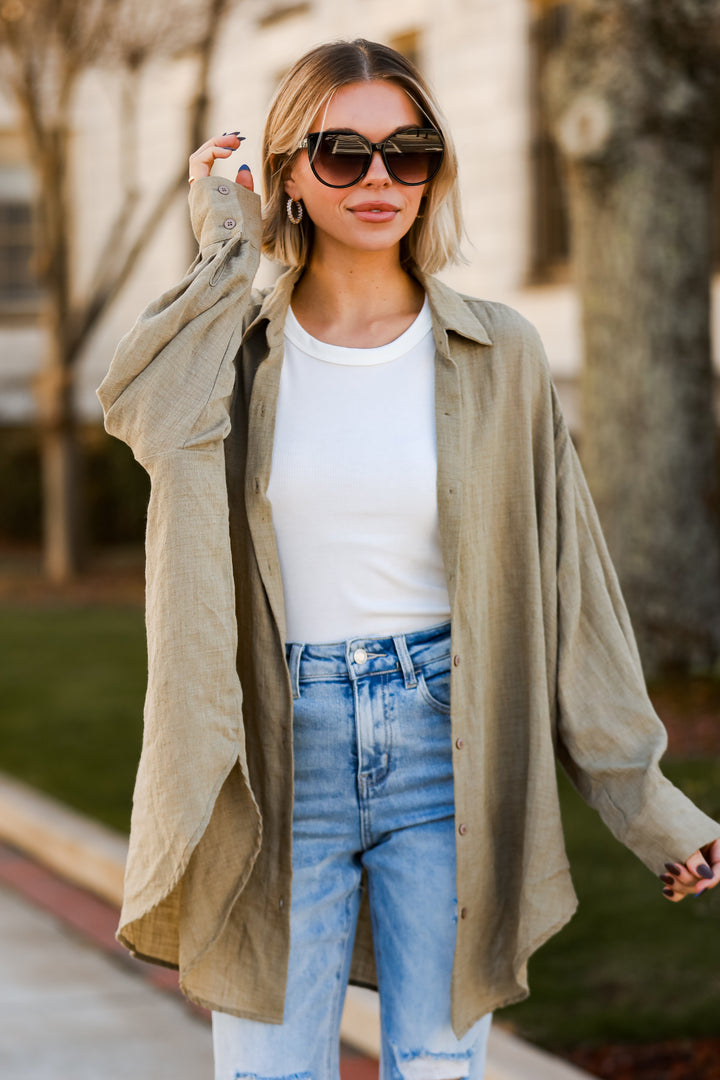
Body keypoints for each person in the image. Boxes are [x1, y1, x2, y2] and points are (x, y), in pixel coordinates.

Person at [97, 38, 720, 1080]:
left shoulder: (499, 353)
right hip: (272, 746)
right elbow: (146, 413)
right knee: (269, 1073)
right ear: (290, 173)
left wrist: (648, 801)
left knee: (439, 1068)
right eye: (341, 154)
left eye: (409, 152)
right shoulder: (233, 352)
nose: (380, 180)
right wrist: (222, 247)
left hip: (448, 745)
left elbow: (571, 591)